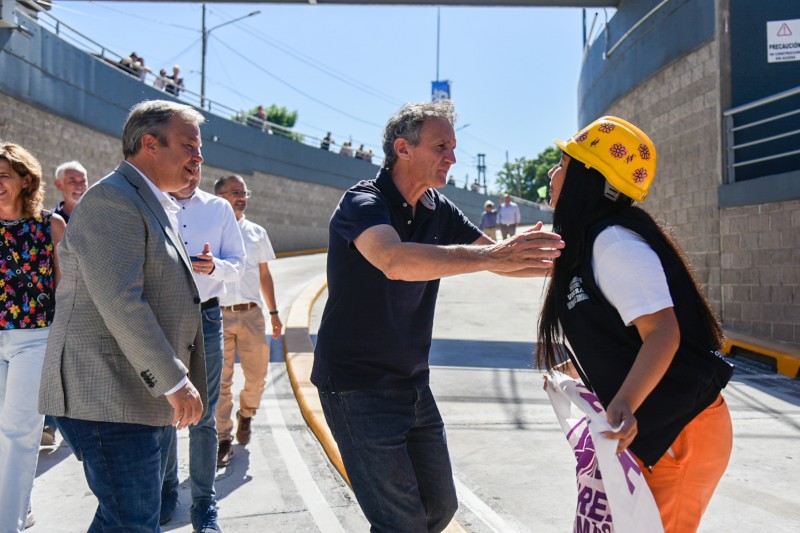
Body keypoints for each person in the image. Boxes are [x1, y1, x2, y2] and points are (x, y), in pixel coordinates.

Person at [311, 100, 564, 532]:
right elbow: (393, 260)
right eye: (441, 146)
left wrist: (571, 265)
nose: (452, 158)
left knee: (439, 508)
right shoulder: (363, 201)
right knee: (401, 523)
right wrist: (491, 255)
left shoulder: (437, 207)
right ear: (403, 148)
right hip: (356, 388)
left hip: (412, 384)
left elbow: (499, 259)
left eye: (453, 147)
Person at [537, 116, 734, 533]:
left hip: (679, 434)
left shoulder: (614, 243)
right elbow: (618, 335)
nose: (553, 173)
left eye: (564, 163)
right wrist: (577, 371)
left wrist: (624, 402)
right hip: (653, 431)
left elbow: (662, 332)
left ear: (588, 177)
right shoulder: (589, 244)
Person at [38, 100, 208, 532]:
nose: (198, 158)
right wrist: (174, 381)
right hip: (108, 396)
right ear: (150, 144)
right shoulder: (112, 200)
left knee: (128, 520)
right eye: (189, 146)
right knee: (131, 523)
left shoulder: (147, 200)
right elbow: (121, 301)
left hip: (134, 396)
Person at [159, 164, 245, 531]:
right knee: (164, 411)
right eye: (185, 162)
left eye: (197, 163)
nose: (192, 170)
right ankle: (165, 493)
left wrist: (215, 267)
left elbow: (238, 265)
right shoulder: (151, 203)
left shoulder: (219, 208)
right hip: (163, 316)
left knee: (204, 415)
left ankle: (204, 505)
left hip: (207, 317)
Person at [0, 142, 65, 532]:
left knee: (20, 433)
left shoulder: (50, 225)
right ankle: (19, 506)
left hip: (35, 338)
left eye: (3, 176)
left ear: (26, 180)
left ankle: (7, 523)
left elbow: (67, 289)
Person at [213, 174, 282, 468]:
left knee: (256, 376)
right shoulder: (211, 230)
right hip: (218, 315)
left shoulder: (257, 233)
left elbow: (265, 275)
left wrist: (274, 313)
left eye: (244, 192)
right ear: (220, 197)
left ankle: (247, 413)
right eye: (235, 192)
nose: (242, 198)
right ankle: (223, 438)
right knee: (221, 380)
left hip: (252, 315)